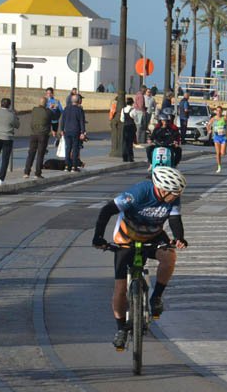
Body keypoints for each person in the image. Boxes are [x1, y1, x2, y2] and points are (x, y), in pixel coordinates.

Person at [91, 166, 188, 350]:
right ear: (161, 188)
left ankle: (156, 297)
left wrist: (179, 238)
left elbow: (175, 220)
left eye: (178, 193)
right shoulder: (139, 193)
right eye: (174, 193)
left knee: (170, 256)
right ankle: (121, 329)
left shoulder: (173, 196)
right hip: (127, 237)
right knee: (120, 288)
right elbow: (107, 210)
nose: (176, 196)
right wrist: (98, 237)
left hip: (154, 236)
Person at [23, 96, 52, 179]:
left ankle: (26, 172)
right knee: (40, 154)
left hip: (33, 134)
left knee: (31, 153)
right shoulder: (48, 112)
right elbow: (54, 118)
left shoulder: (34, 110)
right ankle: (37, 173)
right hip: (43, 135)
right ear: (46, 103)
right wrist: (52, 108)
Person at [60, 93, 86, 172]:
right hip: (75, 131)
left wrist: (61, 130)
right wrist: (83, 132)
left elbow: (62, 120)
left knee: (68, 148)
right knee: (75, 149)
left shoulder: (66, 108)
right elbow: (82, 121)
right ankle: (74, 166)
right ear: (78, 101)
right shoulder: (79, 110)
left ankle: (67, 165)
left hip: (67, 131)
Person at [206, 105, 227, 173]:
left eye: (220, 111)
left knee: (222, 153)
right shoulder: (213, 119)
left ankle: (221, 160)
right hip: (216, 137)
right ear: (216, 111)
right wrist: (209, 130)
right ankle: (219, 166)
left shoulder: (224, 118)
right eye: (217, 111)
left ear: (222, 111)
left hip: (223, 137)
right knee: (218, 153)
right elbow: (208, 125)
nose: (218, 112)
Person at [120, 97, 137, 163]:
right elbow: (136, 119)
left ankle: (124, 157)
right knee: (130, 142)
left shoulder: (123, 109)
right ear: (132, 103)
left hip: (125, 126)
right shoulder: (133, 110)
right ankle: (130, 157)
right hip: (131, 126)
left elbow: (122, 119)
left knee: (125, 142)